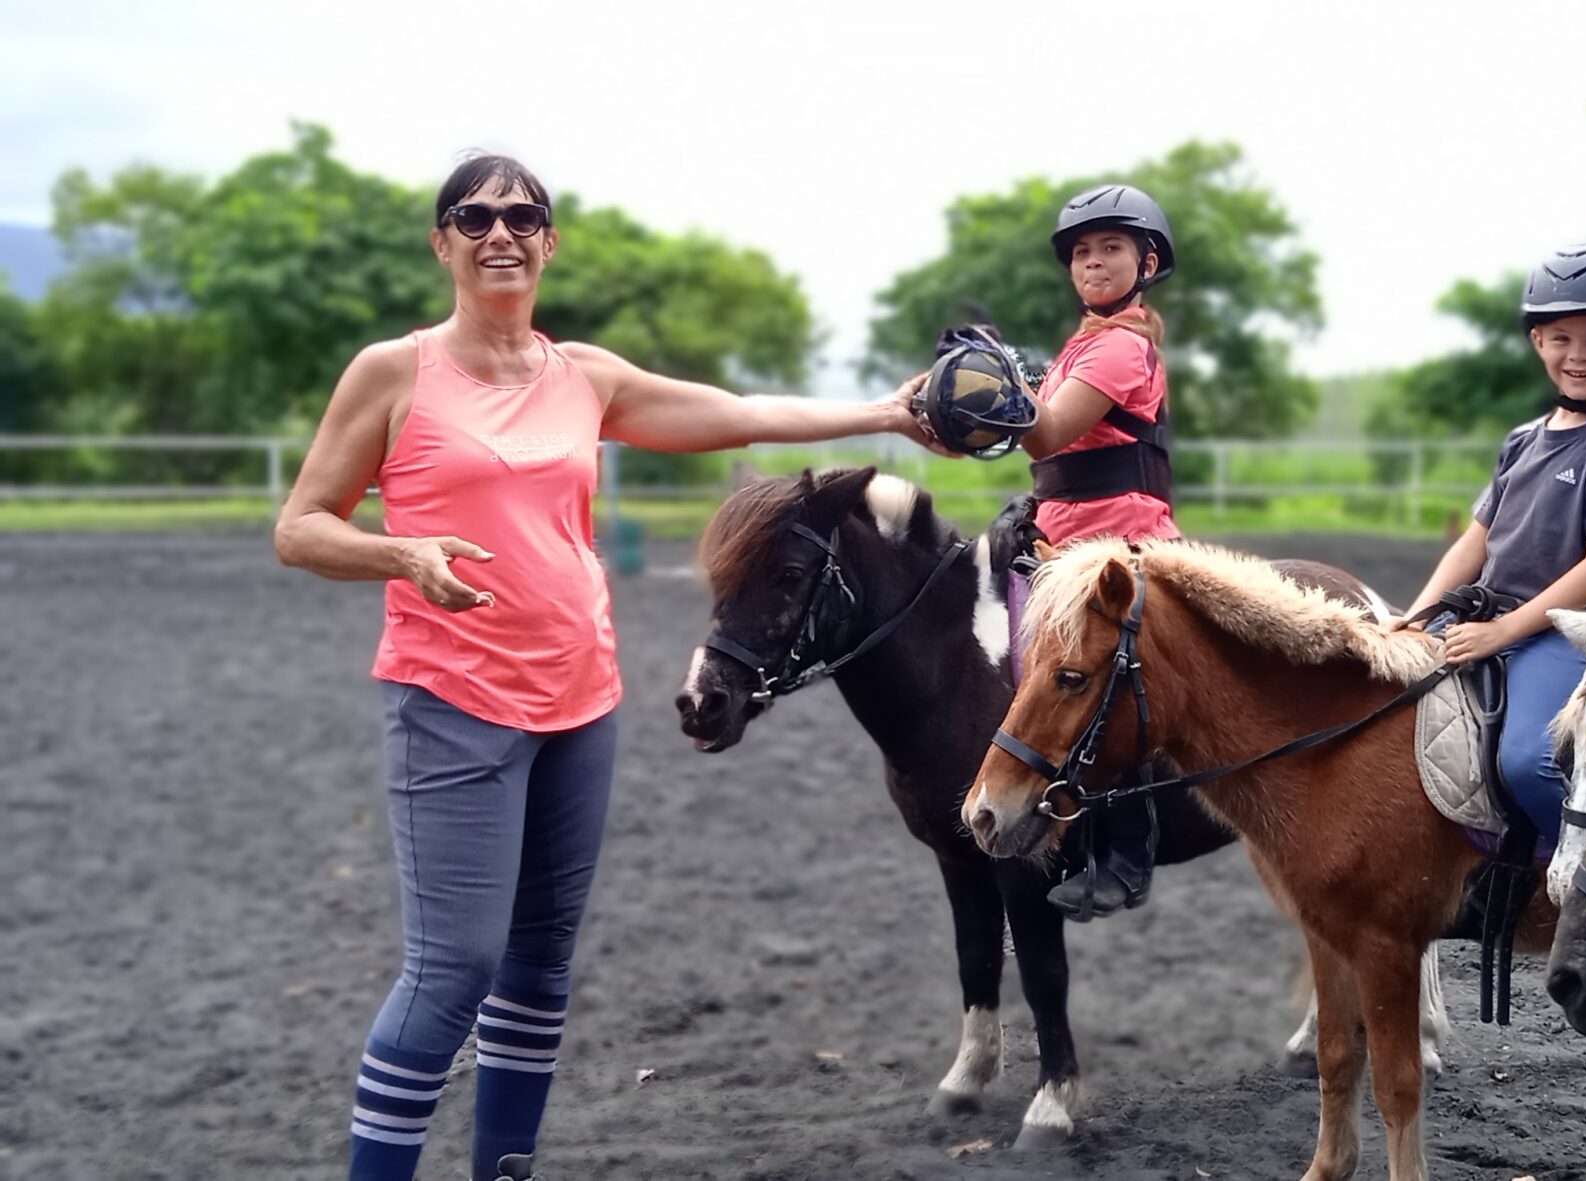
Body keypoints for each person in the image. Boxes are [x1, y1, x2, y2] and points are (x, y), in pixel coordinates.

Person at [273, 153, 930, 1181]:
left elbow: (742, 410)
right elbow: (301, 527)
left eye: (523, 215)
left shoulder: (584, 376)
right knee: (454, 968)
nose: (501, 232)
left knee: (538, 961)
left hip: (581, 700)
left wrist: (885, 413)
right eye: (474, 217)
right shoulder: (393, 372)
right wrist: (402, 552)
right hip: (452, 699)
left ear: (550, 241)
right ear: (442, 243)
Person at [896, 182, 1182, 920]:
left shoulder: (1122, 346)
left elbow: (1048, 431)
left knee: (1103, 683)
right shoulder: (1081, 346)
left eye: (1111, 248)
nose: (1094, 261)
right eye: (1082, 252)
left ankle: (1124, 855)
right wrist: (979, 392)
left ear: (1147, 263)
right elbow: (1038, 441)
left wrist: (992, 372)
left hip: (1120, 547)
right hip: (1061, 539)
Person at [1387, 242, 1586, 844]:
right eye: (1561, 338)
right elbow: (1474, 544)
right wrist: (1418, 615)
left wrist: (1504, 633)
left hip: (1565, 628)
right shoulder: (1522, 440)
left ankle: (1581, 877)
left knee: (1527, 763)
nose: (1578, 354)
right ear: (1538, 342)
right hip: (1485, 613)